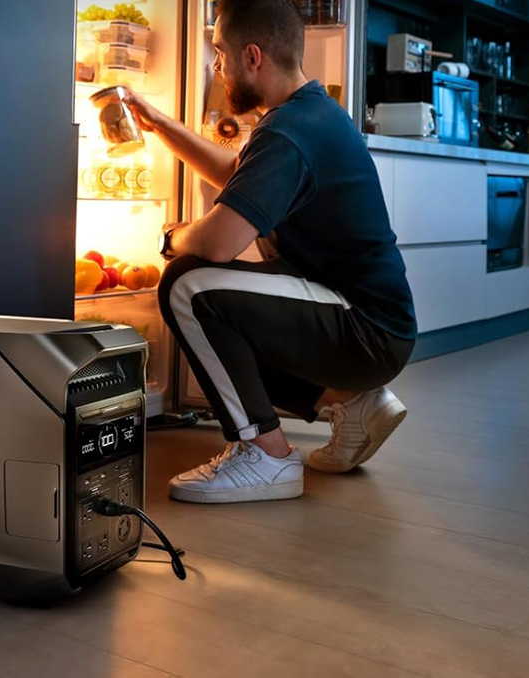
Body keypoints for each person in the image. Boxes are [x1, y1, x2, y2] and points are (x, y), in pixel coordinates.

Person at [126, 0, 416, 504]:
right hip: (372, 325)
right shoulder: (309, 112)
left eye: (220, 53)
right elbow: (240, 177)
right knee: (225, 308)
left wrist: (171, 239)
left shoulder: (288, 131)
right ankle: (350, 400)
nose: (217, 66)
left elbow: (220, 241)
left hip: (365, 329)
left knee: (189, 284)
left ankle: (265, 454)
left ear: (252, 57)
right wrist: (161, 125)